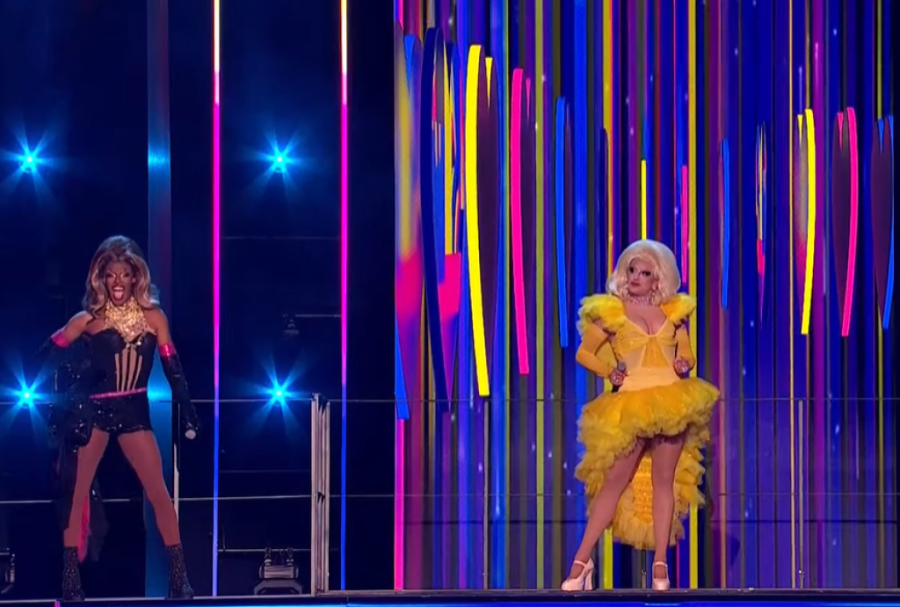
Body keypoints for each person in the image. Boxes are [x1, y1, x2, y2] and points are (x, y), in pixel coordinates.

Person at [42, 236, 199, 600]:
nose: (117, 282)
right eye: (110, 274)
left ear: (135, 277)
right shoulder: (88, 320)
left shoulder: (153, 318)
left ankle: (180, 579)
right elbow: (49, 352)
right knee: (77, 495)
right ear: (101, 278)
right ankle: (70, 581)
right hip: (95, 413)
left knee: (159, 493)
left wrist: (189, 411)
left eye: (124, 274)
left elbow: (173, 370)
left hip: (133, 411)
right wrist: (59, 394)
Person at [561, 239, 719, 591]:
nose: (635, 277)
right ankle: (581, 561)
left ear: (657, 279)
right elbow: (584, 353)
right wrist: (609, 372)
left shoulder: (674, 314)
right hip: (632, 405)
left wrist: (684, 363)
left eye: (644, 273)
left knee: (664, 481)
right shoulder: (612, 313)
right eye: (631, 270)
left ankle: (660, 564)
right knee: (614, 484)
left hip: (671, 403)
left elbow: (687, 354)